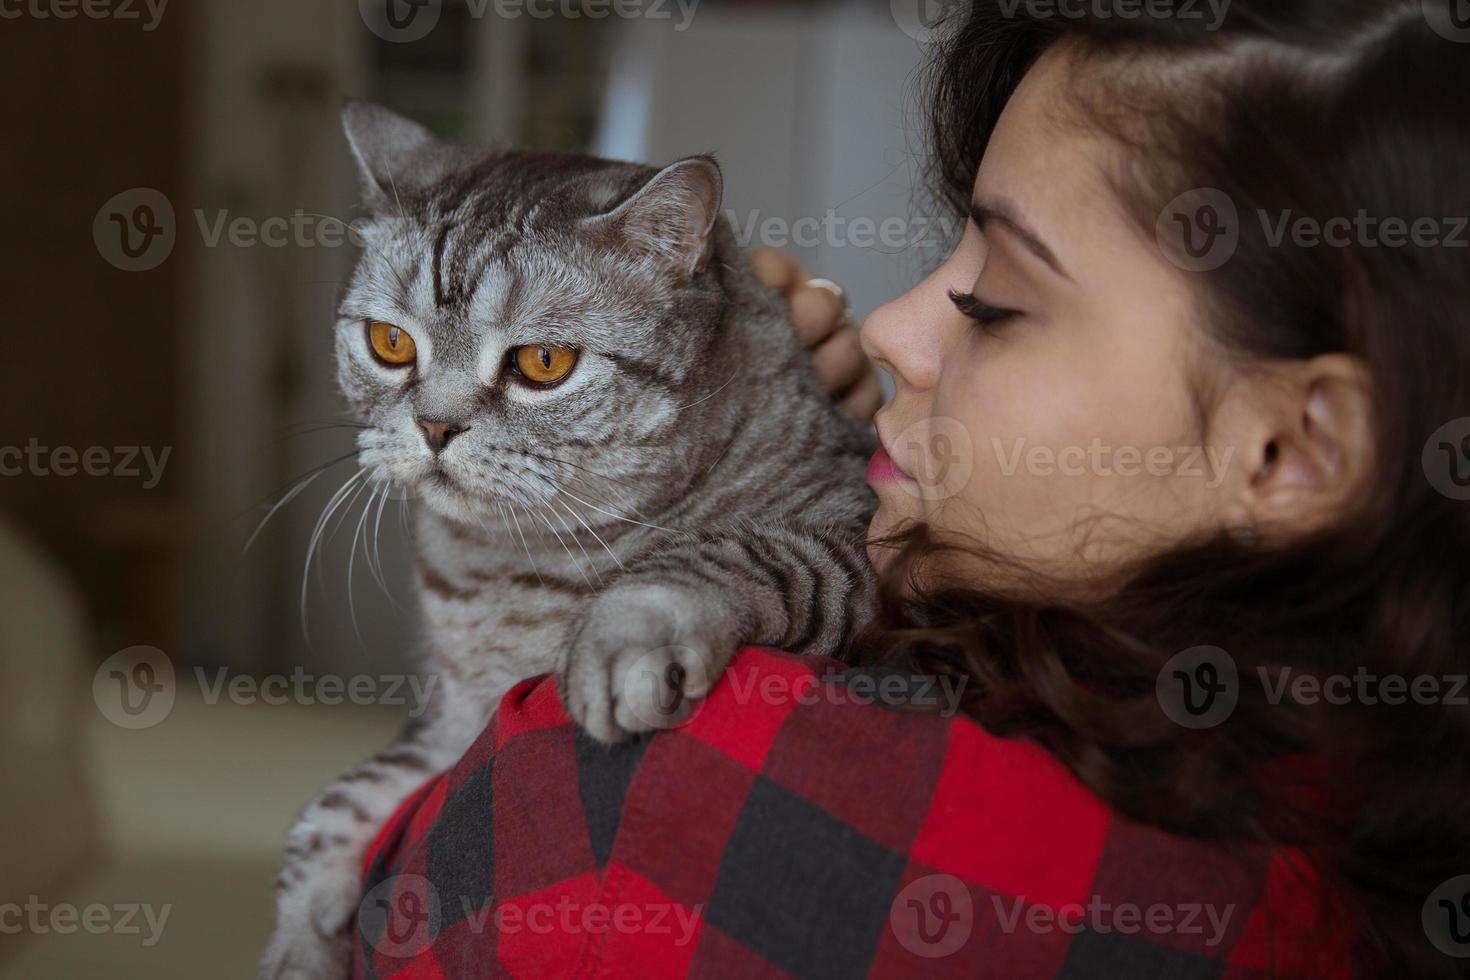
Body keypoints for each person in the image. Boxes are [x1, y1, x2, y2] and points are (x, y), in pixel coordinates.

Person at [352, 2, 1470, 976]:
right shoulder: (1378, 822)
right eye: (949, 251)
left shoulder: (636, 802)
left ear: (1291, 449)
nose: (888, 324)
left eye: (998, 302)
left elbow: (397, 907)